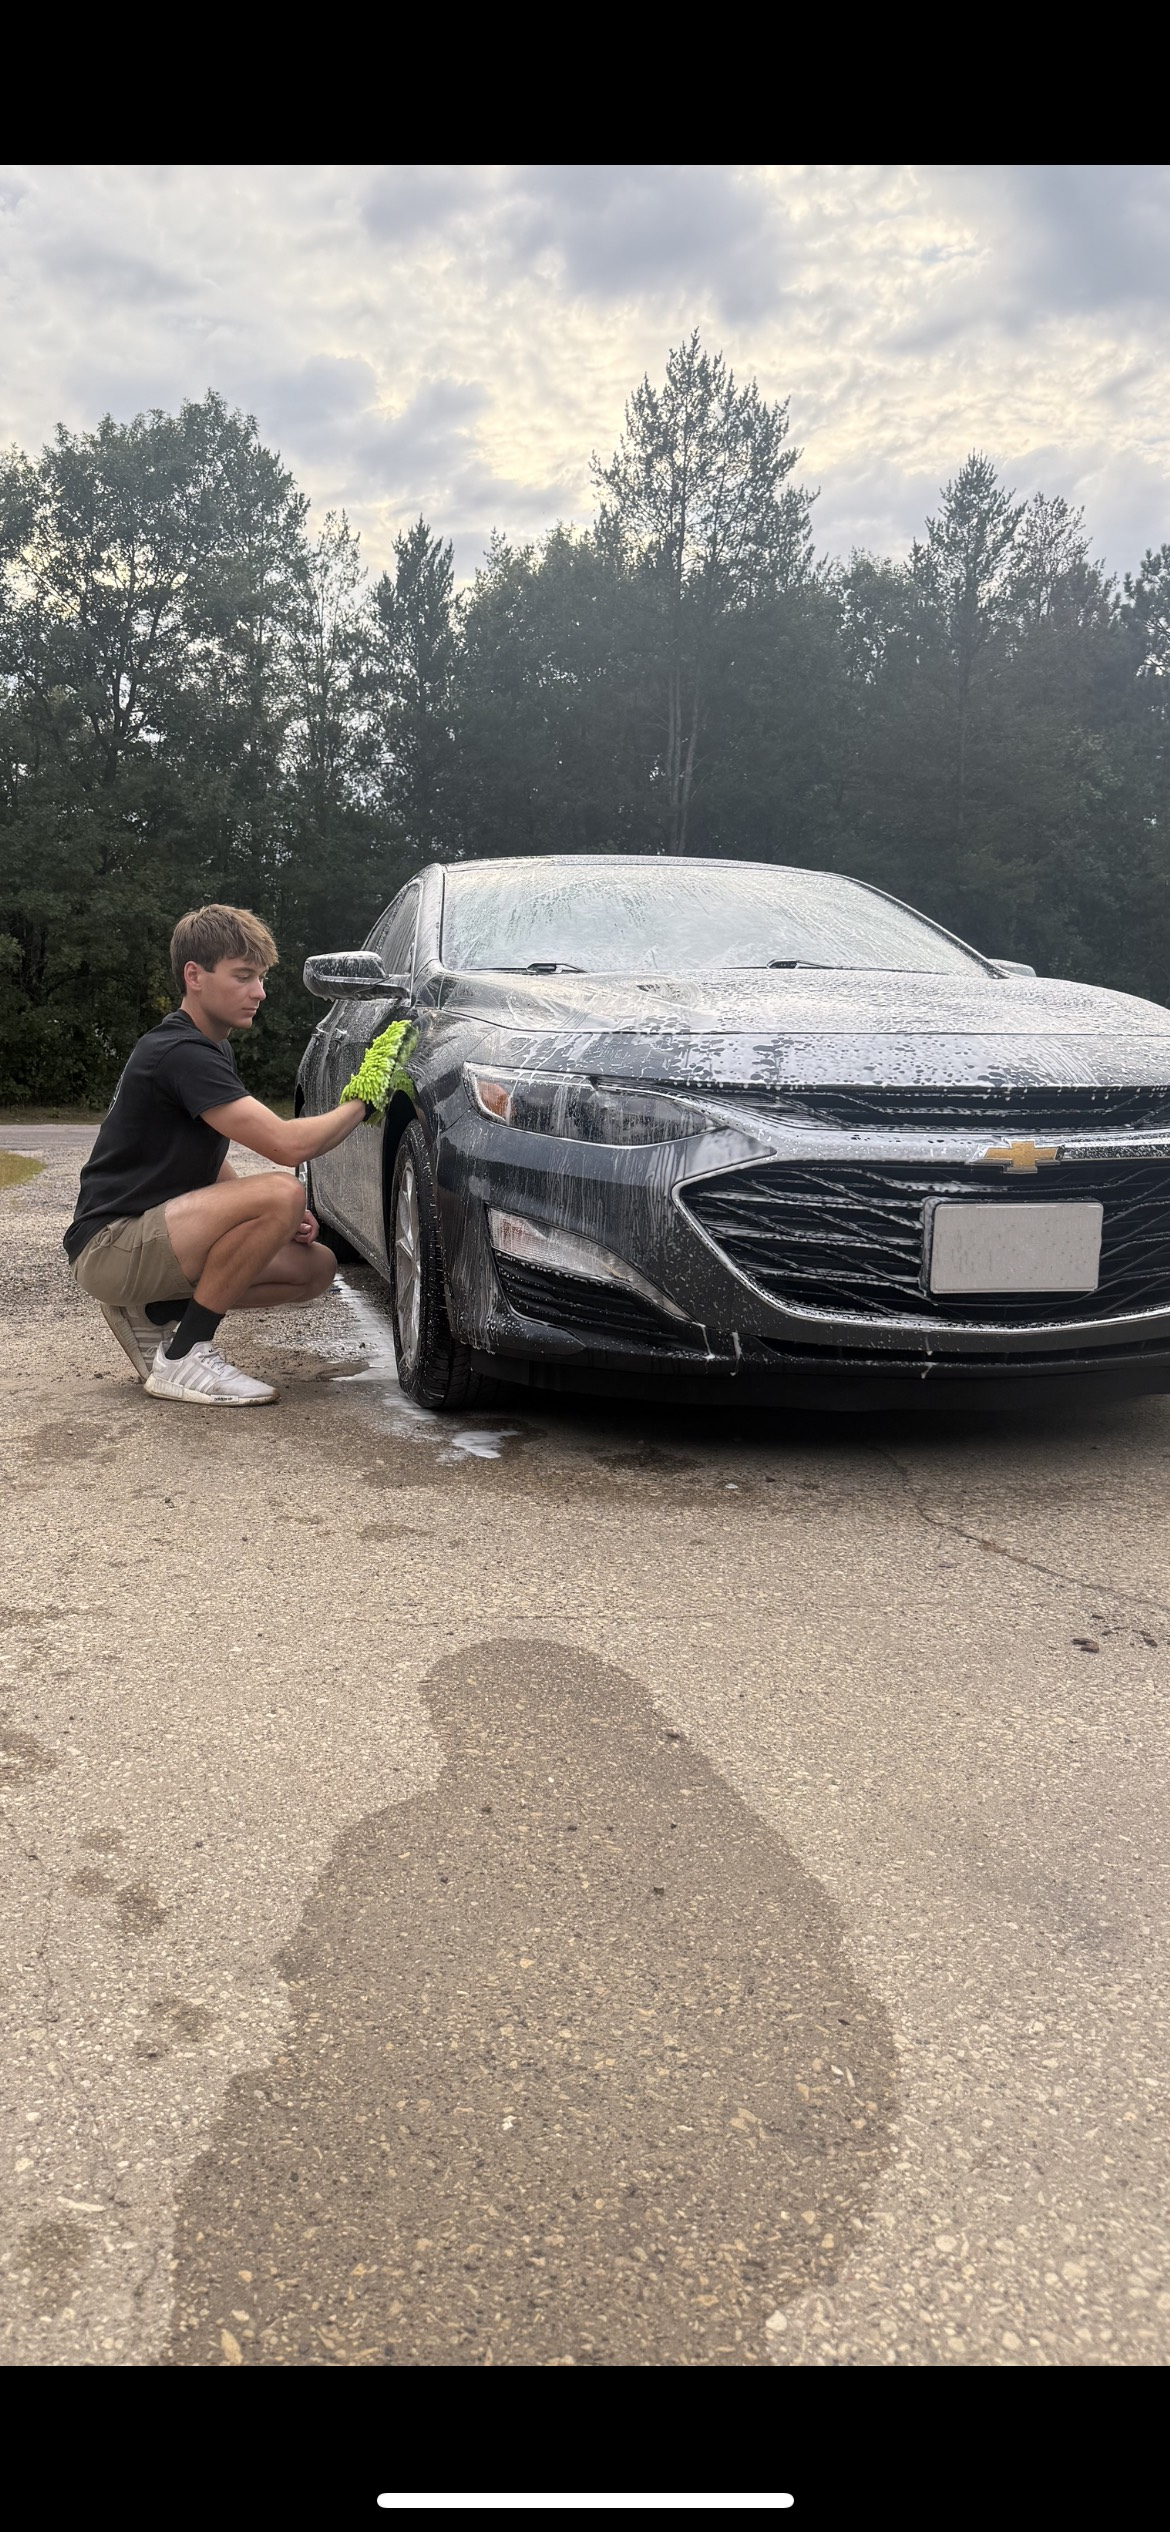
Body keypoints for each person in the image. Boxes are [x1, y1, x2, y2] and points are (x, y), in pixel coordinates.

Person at [64, 903, 369, 1408]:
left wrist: (275, 1219)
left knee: (314, 1266)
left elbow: (205, 1156)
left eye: (262, 978)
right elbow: (288, 1145)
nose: (259, 992)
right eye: (243, 976)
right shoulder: (180, 1052)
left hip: (149, 1238)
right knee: (281, 1190)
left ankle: (157, 1309)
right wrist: (365, 1101)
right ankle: (183, 1357)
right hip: (110, 1243)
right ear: (195, 976)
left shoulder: (208, 1049)